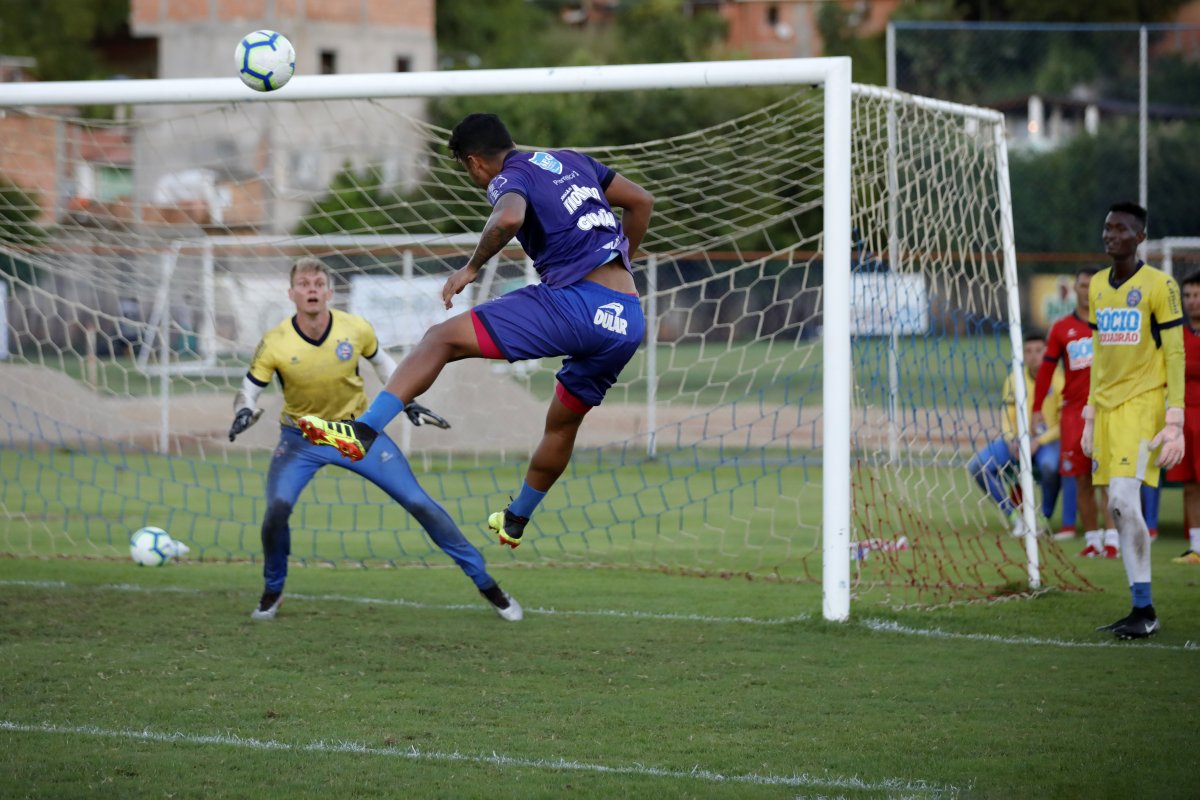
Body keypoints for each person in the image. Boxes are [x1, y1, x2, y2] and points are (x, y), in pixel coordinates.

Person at [296, 113, 654, 549]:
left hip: (576, 304)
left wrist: (472, 267)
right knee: (561, 428)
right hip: (626, 320)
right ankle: (515, 519)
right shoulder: (573, 160)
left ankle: (363, 431)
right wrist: (623, 262)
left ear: (474, 162)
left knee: (439, 338)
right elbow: (641, 202)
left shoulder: (509, 177)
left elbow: (508, 219)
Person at [228, 257, 522, 622]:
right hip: (301, 440)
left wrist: (408, 401)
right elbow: (249, 388)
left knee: (420, 503)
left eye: (318, 283)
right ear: (291, 294)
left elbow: (387, 366)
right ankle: (273, 591)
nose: (311, 290)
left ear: (329, 291)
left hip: (356, 436)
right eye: (304, 284)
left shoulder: (355, 328)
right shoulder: (275, 341)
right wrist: (244, 408)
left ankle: (487, 584)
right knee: (276, 510)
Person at [1082, 201, 1185, 640]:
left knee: (1123, 502)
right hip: (1106, 410)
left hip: (1143, 404)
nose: (1111, 235)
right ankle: (1140, 608)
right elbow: (1099, 354)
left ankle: (1146, 610)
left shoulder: (1161, 285)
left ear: (1140, 237)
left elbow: (1175, 352)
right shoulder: (1097, 286)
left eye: (1121, 229)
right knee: (1117, 507)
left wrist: (1175, 418)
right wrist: (1089, 415)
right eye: (1108, 228)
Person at [1030, 268, 1123, 556]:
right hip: (1075, 414)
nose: (1087, 290)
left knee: (1107, 478)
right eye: (1083, 285)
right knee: (1082, 478)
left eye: (1092, 285)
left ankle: (1113, 540)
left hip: (1108, 411)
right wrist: (1036, 407)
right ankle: (1092, 540)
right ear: (1076, 289)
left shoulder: (1113, 323)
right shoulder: (1061, 328)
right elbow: (1046, 369)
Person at [968, 331, 1063, 537]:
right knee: (978, 466)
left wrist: (1039, 441)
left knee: (1050, 467)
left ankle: (1043, 518)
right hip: (1018, 441)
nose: (1033, 356)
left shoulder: (1059, 380)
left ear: (1047, 351)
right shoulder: (1014, 379)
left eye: (1038, 350)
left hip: (1048, 442)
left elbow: (1063, 424)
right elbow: (1007, 416)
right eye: (1028, 351)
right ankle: (1013, 515)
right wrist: (1012, 439)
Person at [1165, 270, 1200, 565]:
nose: (1191, 301)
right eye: (1187, 295)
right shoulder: (1176, 333)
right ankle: (1196, 548)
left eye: (1197, 295)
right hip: (1184, 417)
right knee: (1189, 485)